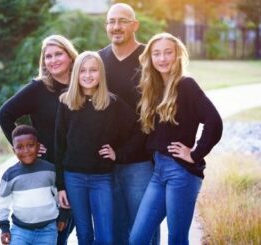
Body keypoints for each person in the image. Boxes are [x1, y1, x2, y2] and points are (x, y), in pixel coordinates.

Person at [129, 32, 223, 245]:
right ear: (150, 58)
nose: (162, 59)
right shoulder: (153, 88)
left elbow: (214, 121)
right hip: (158, 171)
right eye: (157, 54)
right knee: (137, 238)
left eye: (167, 53)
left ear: (178, 55)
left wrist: (196, 153)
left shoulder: (186, 85)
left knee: (177, 239)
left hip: (180, 172)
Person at [0, 34, 78, 245]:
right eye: (48, 56)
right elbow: (4, 115)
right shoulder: (37, 89)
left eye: (58, 54)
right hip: (49, 172)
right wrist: (27, 149)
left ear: (70, 56)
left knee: (77, 229)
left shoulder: (83, 83)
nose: (53, 60)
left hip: (81, 169)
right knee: (57, 232)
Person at [55, 51, 141, 245]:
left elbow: (139, 129)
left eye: (93, 70)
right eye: (82, 70)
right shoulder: (66, 102)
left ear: (101, 73)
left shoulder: (112, 103)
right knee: (84, 235)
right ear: (76, 74)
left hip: (102, 178)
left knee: (106, 238)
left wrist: (118, 154)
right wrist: (60, 185)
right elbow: (59, 144)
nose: (88, 75)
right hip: (73, 177)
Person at [99, 3, 159, 244]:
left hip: (141, 161)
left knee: (144, 228)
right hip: (105, 161)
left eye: (122, 21)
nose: (116, 26)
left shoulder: (149, 58)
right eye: (111, 21)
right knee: (114, 228)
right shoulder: (99, 59)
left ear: (135, 25)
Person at [0, 125, 59, 245]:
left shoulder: (50, 170)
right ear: (13, 150)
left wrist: (63, 216)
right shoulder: (10, 175)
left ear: (38, 146)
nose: (26, 151)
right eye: (20, 147)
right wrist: (4, 228)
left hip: (48, 230)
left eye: (30, 145)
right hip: (20, 230)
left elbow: (59, 195)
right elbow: (2, 203)